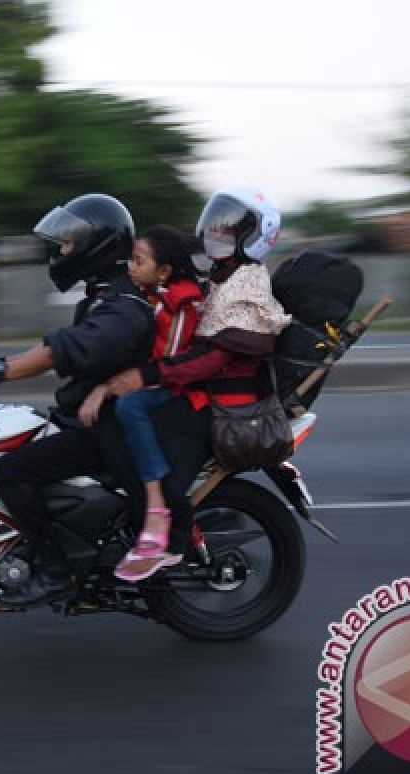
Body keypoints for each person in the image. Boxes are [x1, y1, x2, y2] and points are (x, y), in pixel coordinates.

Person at [0, 193, 157, 608]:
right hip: (92, 420)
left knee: (9, 473)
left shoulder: (123, 305)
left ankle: (55, 570)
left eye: (67, 243)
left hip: (107, 432)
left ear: (96, 245)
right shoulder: (104, 297)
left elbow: (68, 349)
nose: (61, 252)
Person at [102, 186, 291, 574]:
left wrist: (147, 375)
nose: (215, 233)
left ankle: (165, 536)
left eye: (228, 228)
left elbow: (213, 356)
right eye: (216, 225)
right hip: (204, 392)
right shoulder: (226, 278)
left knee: (143, 429)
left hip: (224, 406)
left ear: (254, 238)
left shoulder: (248, 286)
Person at [76, 225, 204, 581]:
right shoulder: (156, 296)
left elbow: (171, 362)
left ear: (163, 270)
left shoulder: (184, 301)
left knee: (129, 408)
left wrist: (114, 387)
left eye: (138, 261)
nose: (130, 267)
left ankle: (155, 504)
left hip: (176, 385)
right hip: (158, 377)